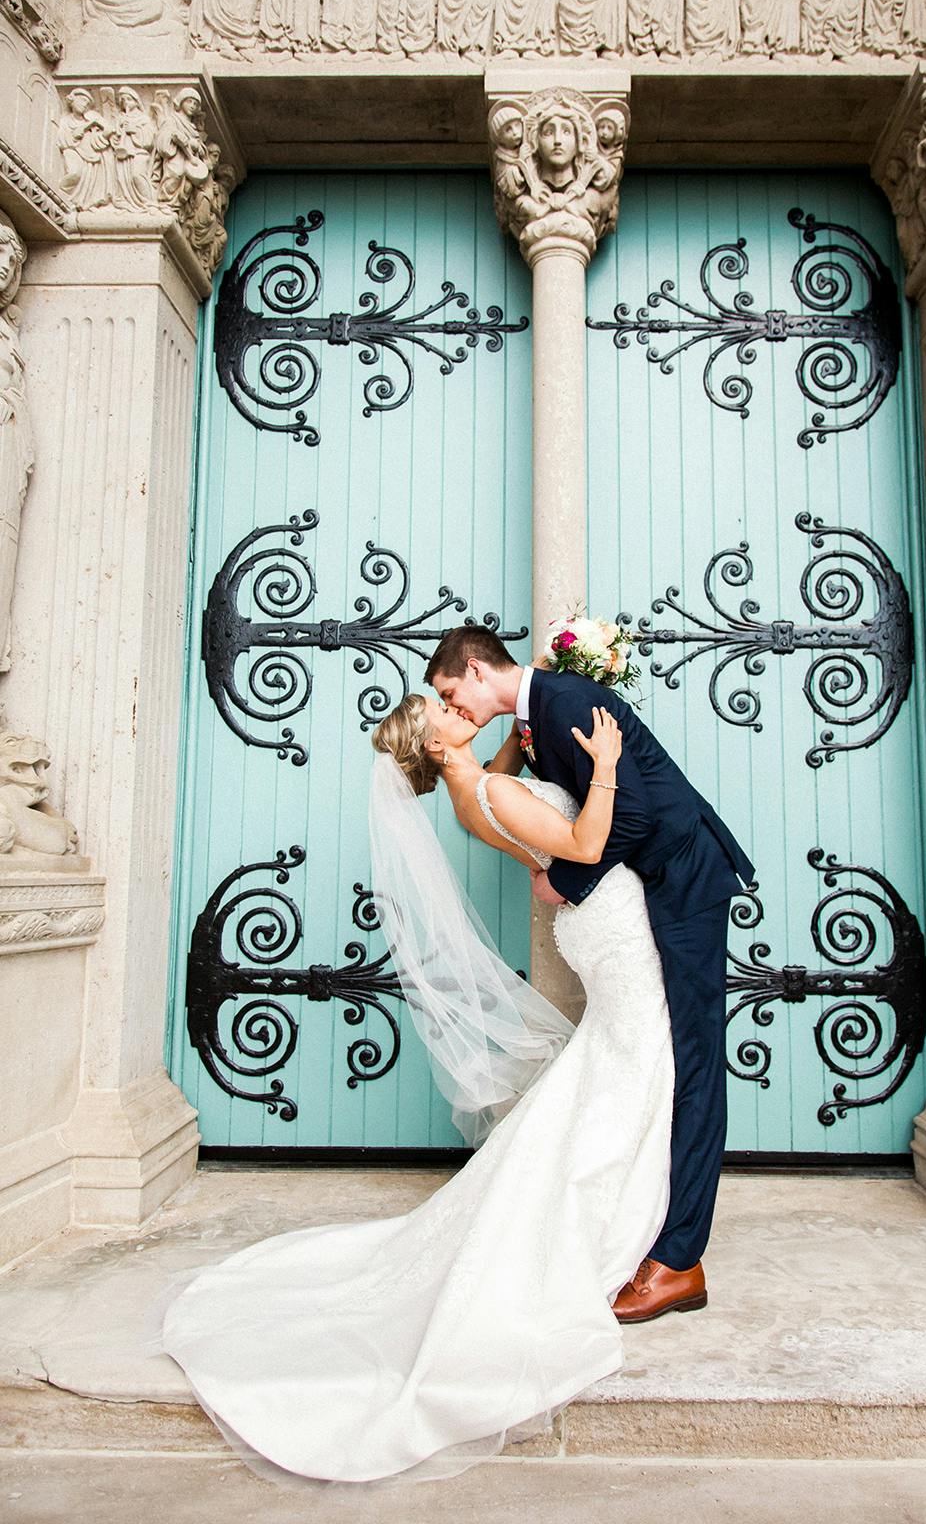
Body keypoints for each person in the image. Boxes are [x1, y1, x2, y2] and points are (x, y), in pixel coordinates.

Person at [160, 675, 681, 1483]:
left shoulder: (477, 788)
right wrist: (605, 763)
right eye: (444, 709)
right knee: (631, 1062)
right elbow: (579, 848)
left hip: (595, 925)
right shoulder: (492, 789)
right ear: (436, 743)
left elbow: (513, 810)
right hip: (611, 926)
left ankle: (619, 1208)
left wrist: (521, 728)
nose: (456, 709)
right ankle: (611, 1224)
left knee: (617, 1069)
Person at [427, 625, 754, 1322]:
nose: (455, 708)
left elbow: (629, 814)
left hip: (685, 884)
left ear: (478, 670)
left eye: (453, 692)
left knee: (695, 1065)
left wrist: (565, 882)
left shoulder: (568, 702)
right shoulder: (536, 712)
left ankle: (679, 1260)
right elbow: (496, 788)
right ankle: (654, 1233)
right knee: (660, 1061)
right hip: (649, 891)